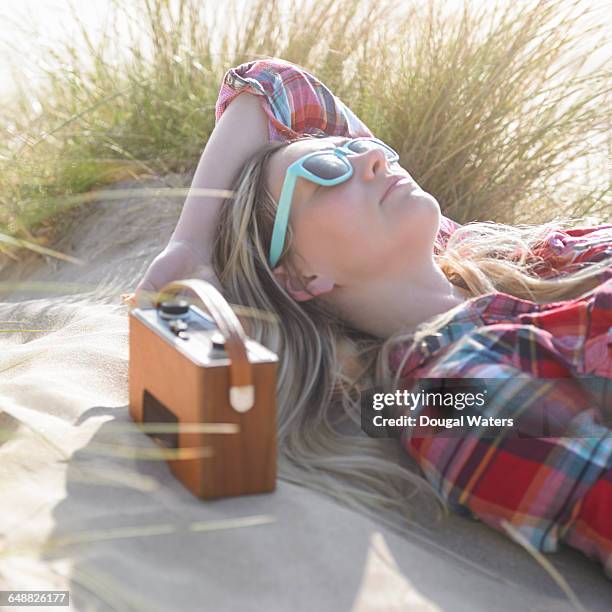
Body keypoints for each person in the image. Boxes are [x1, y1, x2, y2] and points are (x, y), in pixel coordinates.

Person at [129, 58, 612, 575]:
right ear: (297, 275)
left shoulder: (477, 252)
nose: (373, 161)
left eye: (364, 149)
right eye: (325, 172)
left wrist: (190, 241)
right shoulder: (443, 396)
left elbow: (276, 85)